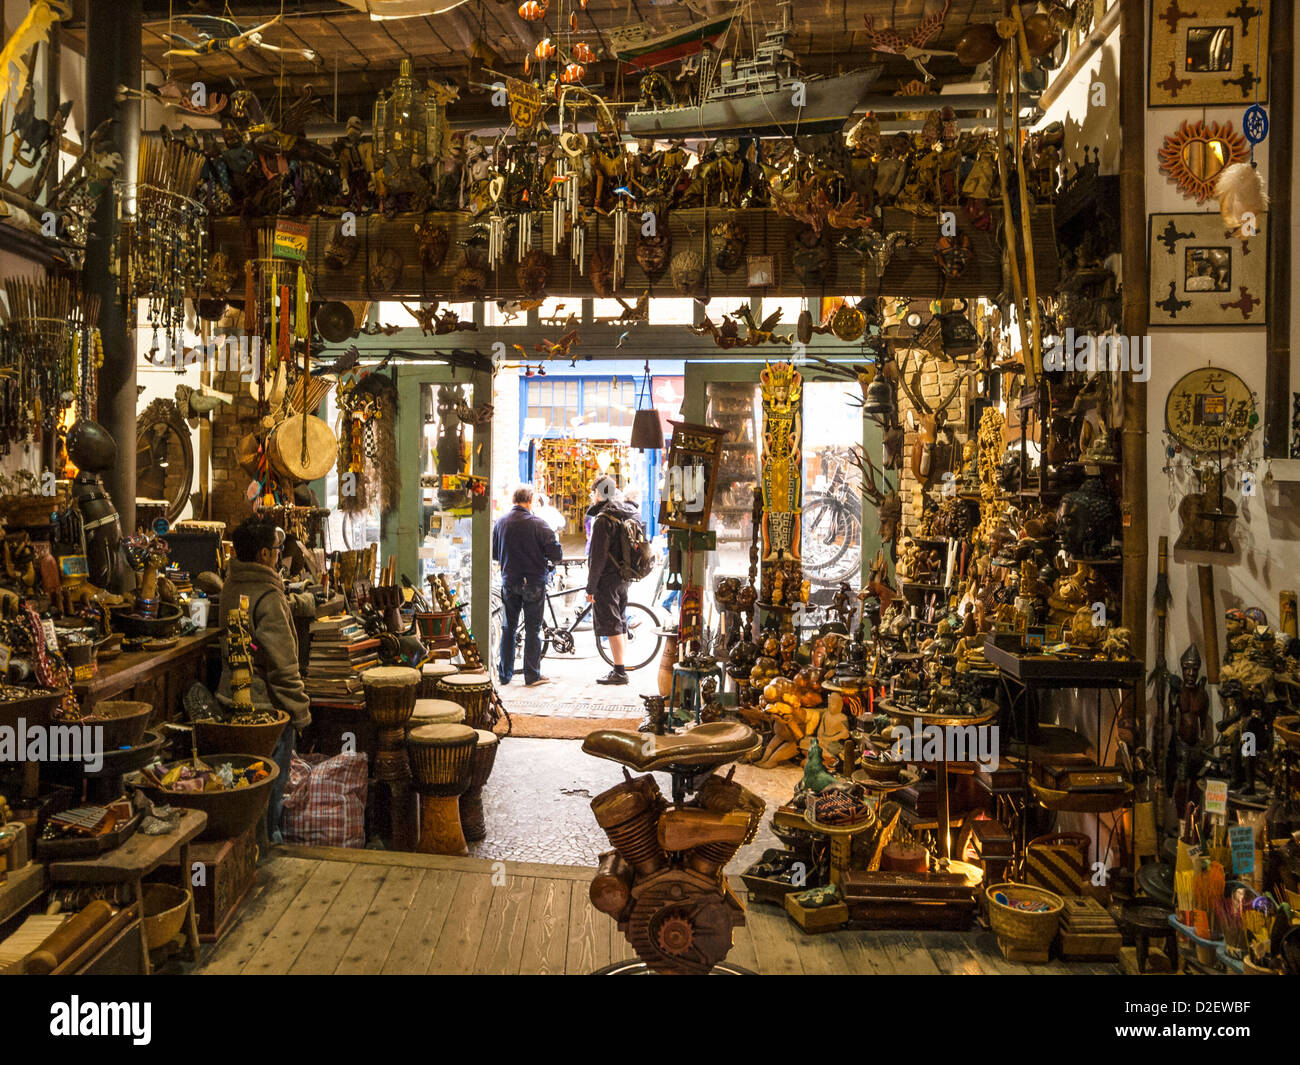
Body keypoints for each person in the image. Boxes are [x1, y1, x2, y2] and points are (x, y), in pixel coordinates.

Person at [217, 516, 313, 843]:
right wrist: (300, 711)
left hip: (231, 698)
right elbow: (282, 665)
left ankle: (246, 845)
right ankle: (269, 845)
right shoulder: (267, 596)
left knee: (243, 780)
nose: (278, 555)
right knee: (272, 780)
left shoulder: (233, 584)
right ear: (262, 555)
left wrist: (303, 603)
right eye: (275, 550)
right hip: (266, 708)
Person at [492, 485, 562, 686]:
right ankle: (531, 675)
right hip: (533, 582)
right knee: (533, 629)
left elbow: (495, 553)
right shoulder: (539, 524)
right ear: (530, 501)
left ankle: (505, 674)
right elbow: (556, 554)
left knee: (508, 628)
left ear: (514, 500)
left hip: (509, 581)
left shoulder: (501, 523)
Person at [585, 475, 643, 685]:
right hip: (624, 576)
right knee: (619, 621)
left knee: (612, 625)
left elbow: (597, 557)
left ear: (599, 493)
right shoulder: (629, 511)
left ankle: (619, 672)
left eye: (593, 492)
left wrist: (590, 587)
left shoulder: (603, 519)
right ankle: (620, 666)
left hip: (607, 578)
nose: (592, 497)